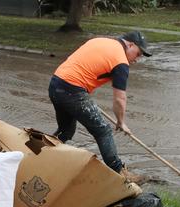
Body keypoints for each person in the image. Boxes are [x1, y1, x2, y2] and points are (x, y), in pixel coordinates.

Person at [49, 30, 151, 182]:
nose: (138, 59)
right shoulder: (121, 61)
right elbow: (119, 98)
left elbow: (84, 64)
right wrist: (121, 122)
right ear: (130, 45)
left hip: (56, 83)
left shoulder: (102, 41)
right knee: (103, 131)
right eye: (138, 53)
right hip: (72, 90)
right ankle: (119, 174)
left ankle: (44, 152)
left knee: (66, 130)